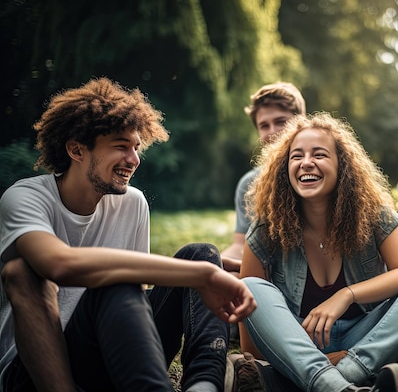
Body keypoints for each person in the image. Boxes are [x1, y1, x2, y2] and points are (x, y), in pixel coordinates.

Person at [0, 77, 256, 392]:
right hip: (36, 372)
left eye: (136, 147)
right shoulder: (25, 198)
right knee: (26, 270)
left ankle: (203, 385)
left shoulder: (132, 202)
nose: (134, 160)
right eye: (121, 147)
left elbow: (136, 299)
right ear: (76, 150)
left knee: (201, 252)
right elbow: (59, 265)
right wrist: (203, 276)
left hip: (112, 355)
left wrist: (206, 267)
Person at [236, 112, 398, 392]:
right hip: (299, 343)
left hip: (366, 338)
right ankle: (340, 384)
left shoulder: (373, 215)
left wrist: (346, 295)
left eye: (320, 155)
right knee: (250, 287)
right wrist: (304, 358)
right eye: (296, 156)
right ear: (284, 168)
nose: (306, 163)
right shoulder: (268, 228)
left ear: (343, 165)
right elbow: (252, 343)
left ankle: (341, 374)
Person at [221, 82, 306, 277]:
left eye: (281, 121)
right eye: (264, 126)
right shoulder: (250, 184)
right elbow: (240, 246)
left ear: (301, 122)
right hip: (268, 274)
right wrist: (211, 266)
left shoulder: (316, 176)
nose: (272, 131)